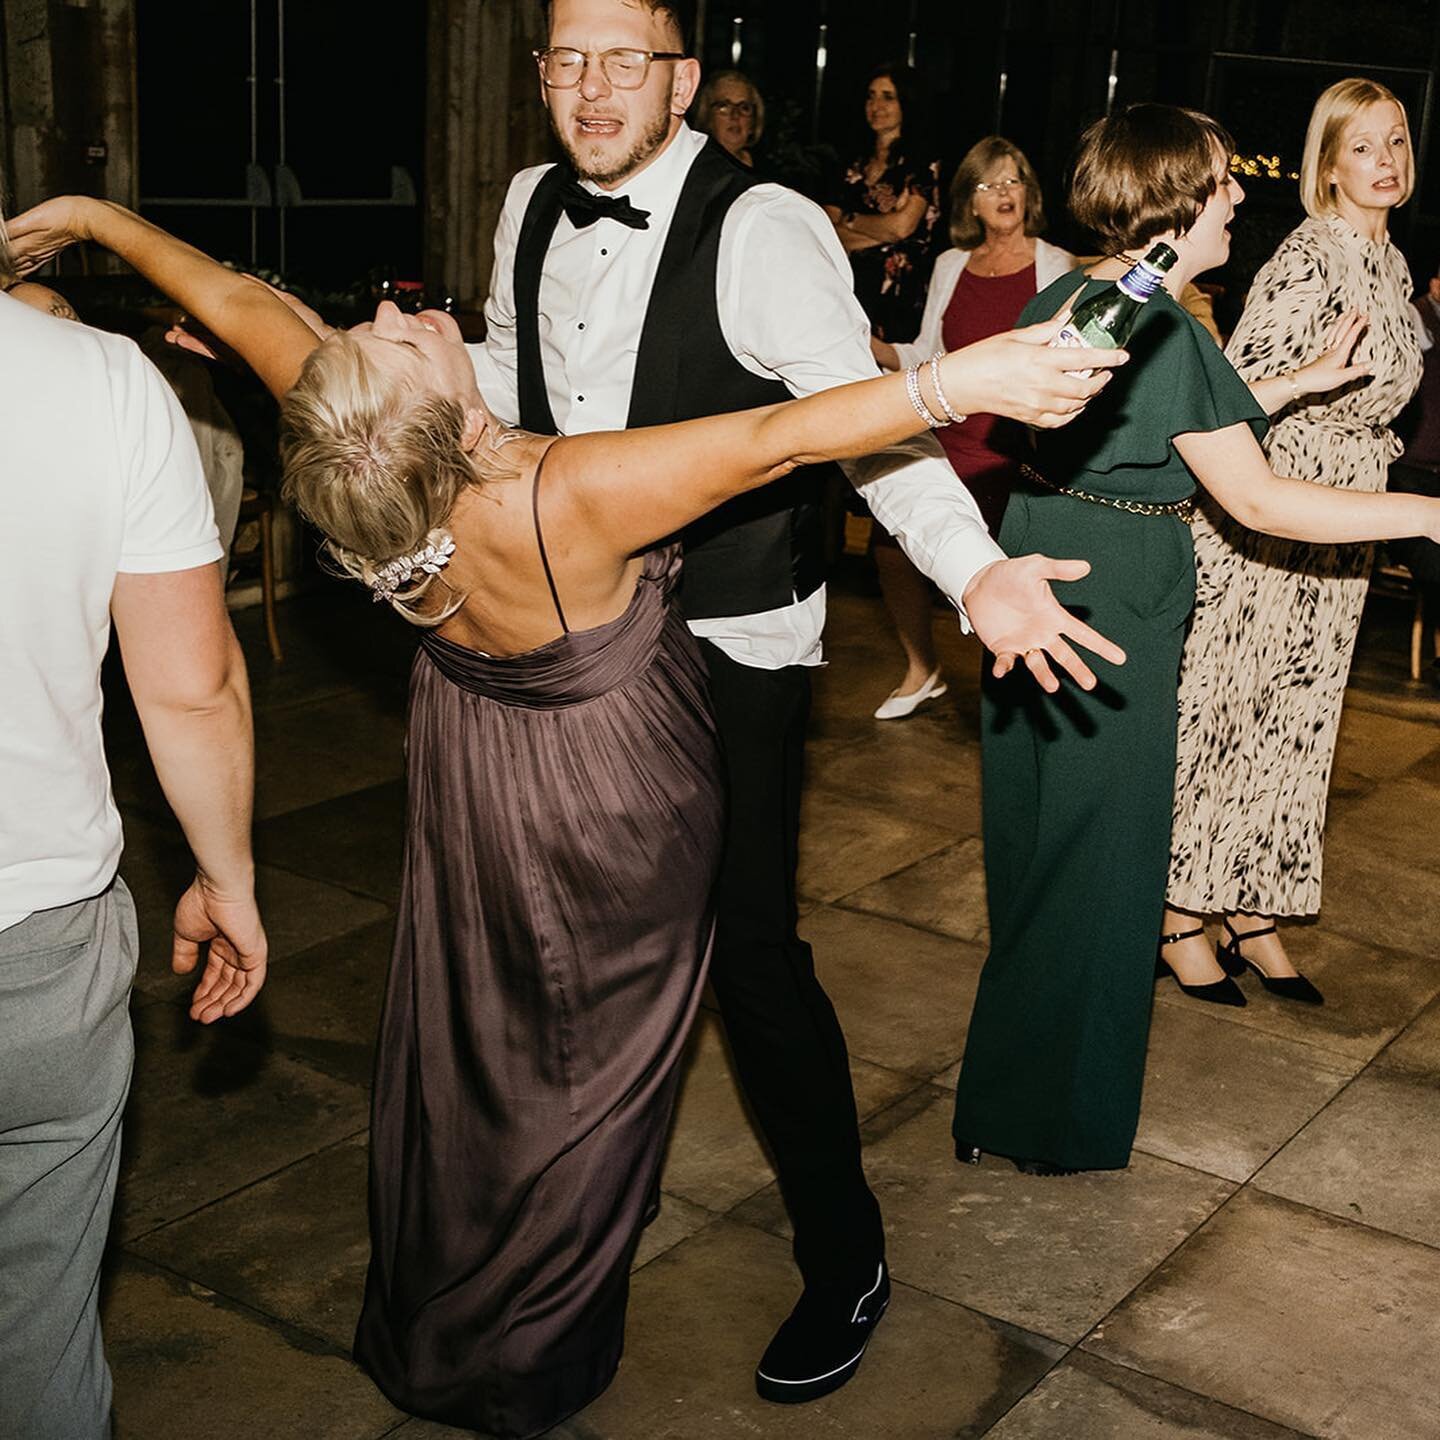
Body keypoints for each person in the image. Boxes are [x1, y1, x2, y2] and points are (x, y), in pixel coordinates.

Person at [7, 171, 1123, 1435]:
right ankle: (534, 1326)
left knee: (486, 1028)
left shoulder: (355, 443)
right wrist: (956, 384)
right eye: (400, 334)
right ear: (456, 421)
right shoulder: (558, 493)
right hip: (615, 787)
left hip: (474, 754)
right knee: (594, 1060)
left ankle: (460, 1288)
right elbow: (784, 438)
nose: (399, 312)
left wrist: (96, 218)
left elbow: (228, 297)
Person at [476, 0, 1129, 1410]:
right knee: (574, 947)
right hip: (568, 625)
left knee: (747, 953)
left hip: (727, 641)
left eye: (625, 62)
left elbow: (869, 429)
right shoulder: (529, 201)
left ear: (685, 79)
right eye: (566, 61)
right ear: (540, 75)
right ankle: (586, 1210)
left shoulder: (766, 226)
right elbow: (517, 376)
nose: (593, 91)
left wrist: (977, 577)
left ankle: (845, 1253)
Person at [949, 103, 1440, 1179]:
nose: (1237, 196)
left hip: (1043, 563)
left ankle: (1001, 1100)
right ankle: (1058, 1130)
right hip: (1113, 602)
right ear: (1176, 194)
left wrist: (1293, 384)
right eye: (1221, 181)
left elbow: (1145, 425)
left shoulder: (1089, 293)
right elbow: (1259, 503)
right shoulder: (1165, 319)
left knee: (1038, 859)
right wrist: (1425, 515)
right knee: (1104, 871)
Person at [0, 216, 267, 1440]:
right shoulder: (103, 383)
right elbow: (188, 687)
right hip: (35, 942)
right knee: (38, 1336)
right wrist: (227, 880)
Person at [1163, 78, 1425, 1002]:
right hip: (1275, 507)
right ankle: (1180, 913)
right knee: (1231, 711)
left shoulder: (1389, 262)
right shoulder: (1308, 259)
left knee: (1304, 719)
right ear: (1326, 164)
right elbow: (1229, 398)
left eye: (1395, 141)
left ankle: (1255, 904)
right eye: (1363, 147)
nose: (1385, 161)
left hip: (1350, 505)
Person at [870, 136, 1076, 717]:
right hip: (948, 433)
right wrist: (880, 350)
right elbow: (933, 353)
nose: (1002, 193)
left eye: (1012, 180)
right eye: (988, 185)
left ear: (1028, 193)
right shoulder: (950, 265)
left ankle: (1014, 687)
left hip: (1014, 445)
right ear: (971, 203)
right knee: (890, 545)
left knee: (1002, 563)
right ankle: (921, 667)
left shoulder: (1055, 264)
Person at [824, 63, 941, 343]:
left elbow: (902, 227)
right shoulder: (851, 159)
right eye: (871, 96)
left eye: (888, 97)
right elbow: (826, 228)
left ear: (906, 104)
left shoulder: (921, 163)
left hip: (899, 296)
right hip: (845, 286)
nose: (876, 105)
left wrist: (850, 220)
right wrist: (883, 234)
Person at [694, 68, 763, 168]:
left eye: (744, 107)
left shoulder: (771, 172)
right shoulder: (695, 168)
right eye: (724, 106)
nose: (735, 115)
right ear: (707, 116)